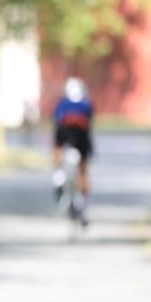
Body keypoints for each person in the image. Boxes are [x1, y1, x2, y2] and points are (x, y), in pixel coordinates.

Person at [52, 77, 94, 224]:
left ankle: (58, 178)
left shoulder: (62, 105)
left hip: (67, 142)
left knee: (61, 161)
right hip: (80, 143)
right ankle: (83, 203)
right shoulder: (86, 105)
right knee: (83, 172)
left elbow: (57, 127)